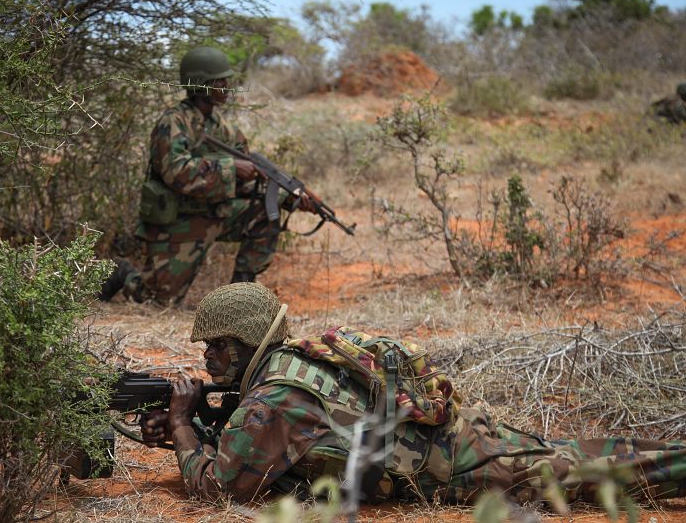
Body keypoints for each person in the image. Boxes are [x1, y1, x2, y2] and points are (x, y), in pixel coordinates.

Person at [141, 282, 686, 506]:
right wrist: (193, 430)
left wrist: (185, 426)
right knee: (581, 455)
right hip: (458, 440)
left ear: (246, 344)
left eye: (218, 347)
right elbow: (256, 449)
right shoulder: (292, 362)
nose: (208, 358)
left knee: (593, 472)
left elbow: (220, 489)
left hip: (460, 468)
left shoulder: (272, 400)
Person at [99, 46, 314, 305]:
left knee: (264, 213)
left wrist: (286, 196)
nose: (226, 87)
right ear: (201, 84)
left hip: (215, 213)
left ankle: (239, 298)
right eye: (220, 81)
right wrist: (231, 168)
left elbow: (247, 181)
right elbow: (176, 173)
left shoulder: (223, 127)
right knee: (155, 301)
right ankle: (122, 272)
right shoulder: (173, 122)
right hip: (179, 221)